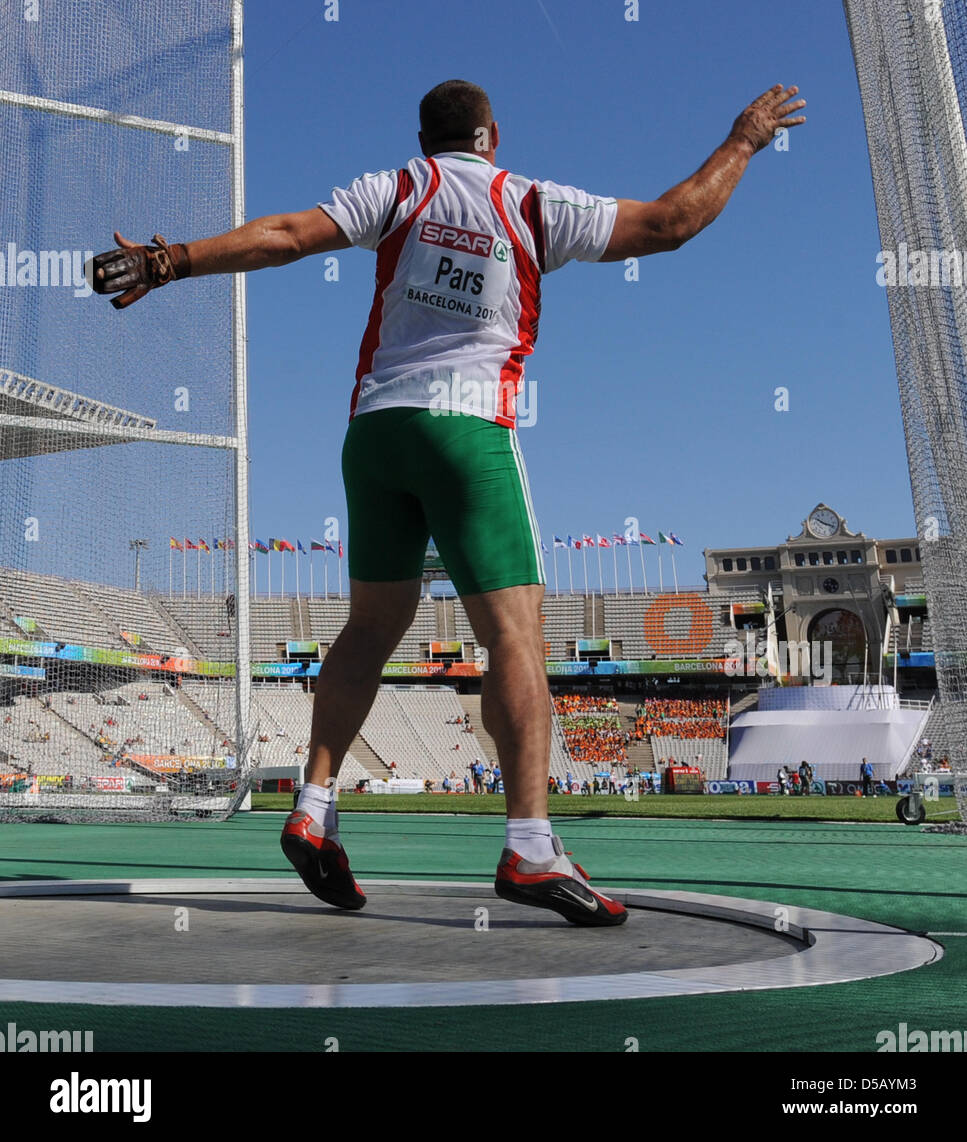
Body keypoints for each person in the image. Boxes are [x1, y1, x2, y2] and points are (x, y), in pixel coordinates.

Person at [90, 77, 804, 928]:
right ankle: (531, 848)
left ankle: (313, 808)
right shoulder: (529, 202)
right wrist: (744, 139)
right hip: (468, 431)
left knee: (369, 628)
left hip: (376, 432)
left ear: (424, 139)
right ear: (490, 136)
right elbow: (671, 221)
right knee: (515, 636)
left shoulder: (395, 188)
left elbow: (283, 237)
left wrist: (170, 261)